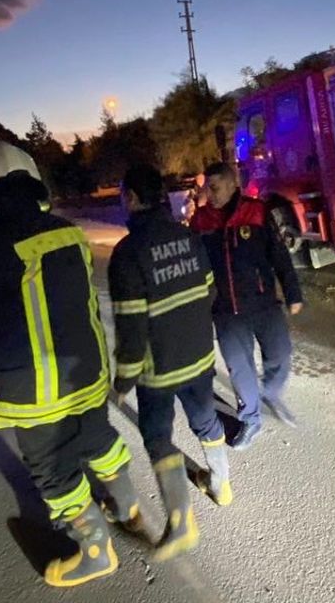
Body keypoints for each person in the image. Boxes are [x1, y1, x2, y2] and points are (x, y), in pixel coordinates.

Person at [0, 142, 141, 588]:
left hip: (37, 387)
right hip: (87, 370)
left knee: (52, 466)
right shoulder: (67, 232)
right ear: (33, 182)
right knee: (96, 436)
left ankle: (94, 549)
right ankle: (127, 506)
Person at [108, 164, 231, 562]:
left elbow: (131, 328)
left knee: (158, 436)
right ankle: (222, 484)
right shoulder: (187, 237)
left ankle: (181, 523)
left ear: (130, 199)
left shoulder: (127, 255)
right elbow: (210, 292)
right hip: (198, 355)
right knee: (204, 419)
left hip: (157, 370)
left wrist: (122, 382)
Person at [191, 162, 304, 450]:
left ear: (231, 185)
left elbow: (279, 254)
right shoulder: (201, 221)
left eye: (214, 188)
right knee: (240, 371)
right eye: (207, 188)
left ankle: (271, 392)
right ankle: (251, 419)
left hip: (264, 303)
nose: (210, 194)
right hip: (227, 311)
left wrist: (293, 293)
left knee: (280, 355)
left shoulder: (257, 211)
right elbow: (192, 265)